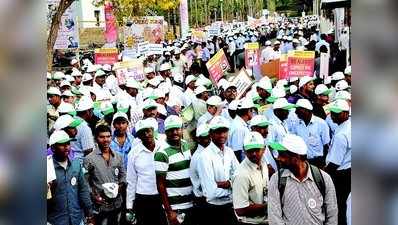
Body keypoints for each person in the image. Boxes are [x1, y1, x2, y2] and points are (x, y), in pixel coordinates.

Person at [268, 134, 338, 225]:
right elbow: (275, 218)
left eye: (282, 155)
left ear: (296, 157)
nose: (278, 158)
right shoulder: (276, 180)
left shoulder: (323, 178)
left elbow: (332, 215)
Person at [197, 116, 239, 225]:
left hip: (231, 206)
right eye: (218, 132)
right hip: (214, 209)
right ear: (211, 134)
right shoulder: (205, 156)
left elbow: (239, 177)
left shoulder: (229, 152)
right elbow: (211, 192)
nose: (222, 135)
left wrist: (228, 183)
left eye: (224, 131)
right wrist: (232, 188)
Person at [47, 130, 95, 225]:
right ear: (53, 148)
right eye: (62, 144)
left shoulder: (76, 164)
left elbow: (83, 190)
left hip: (77, 219)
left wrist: (89, 213)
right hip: (56, 220)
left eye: (68, 143)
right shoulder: (47, 167)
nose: (66, 147)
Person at [126, 119, 167, 225]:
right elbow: (131, 180)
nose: (146, 134)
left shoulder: (163, 148)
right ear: (138, 136)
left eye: (148, 131)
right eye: (142, 133)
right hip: (144, 197)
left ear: (153, 131)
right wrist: (129, 205)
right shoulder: (134, 153)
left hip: (163, 195)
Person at [154, 115, 194, 225]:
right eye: (171, 130)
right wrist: (169, 211)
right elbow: (160, 184)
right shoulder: (162, 153)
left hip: (190, 203)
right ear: (166, 131)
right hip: (175, 208)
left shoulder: (185, 145)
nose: (175, 132)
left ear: (182, 129)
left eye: (177, 129)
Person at [84, 125, 126, 225]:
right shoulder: (89, 159)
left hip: (117, 203)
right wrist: (94, 196)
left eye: (108, 136)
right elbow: (85, 183)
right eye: (102, 137)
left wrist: (118, 188)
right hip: (100, 206)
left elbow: (123, 176)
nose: (105, 140)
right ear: (96, 139)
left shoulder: (118, 157)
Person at [232, 131, 269, 225]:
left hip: (264, 219)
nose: (253, 154)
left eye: (257, 149)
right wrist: (269, 206)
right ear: (244, 150)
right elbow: (240, 209)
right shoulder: (241, 174)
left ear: (264, 149)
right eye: (250, 150)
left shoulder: (263, 163)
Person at [325, 99, 351, 225]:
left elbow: (335, 163)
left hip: (340, 174)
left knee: (339, 205)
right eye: (332, 112)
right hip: (349, 171)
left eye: (337, 113)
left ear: (346, 113)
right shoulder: (349, 126)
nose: (333, 115)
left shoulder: (342, 134)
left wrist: (323, 175)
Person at [290, 99, 330, 168]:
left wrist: (325, 163)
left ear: (307, 110)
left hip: (318, 161)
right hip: (303, 161)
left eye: (298, 110)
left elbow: (326, 145)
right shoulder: (296, 124)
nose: (296, 112)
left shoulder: (321, 123)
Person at [189, 124, 211, 225]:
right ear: (198, 139)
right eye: (206, 137)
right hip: (203, 201)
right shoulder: (199, 157)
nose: (209, 139)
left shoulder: (207, 153)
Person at [228, 98, 254, 162]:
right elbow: (237, 152)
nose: (253, 112)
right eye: (251, 110)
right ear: (248, 111)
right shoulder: (239, 127)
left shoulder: (240, 124)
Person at [73, 96, 96, 163]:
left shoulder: (71, 121)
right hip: (81, 163)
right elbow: (88, 150)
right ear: (88, 111)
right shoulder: (84, 127)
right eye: (92, 110)